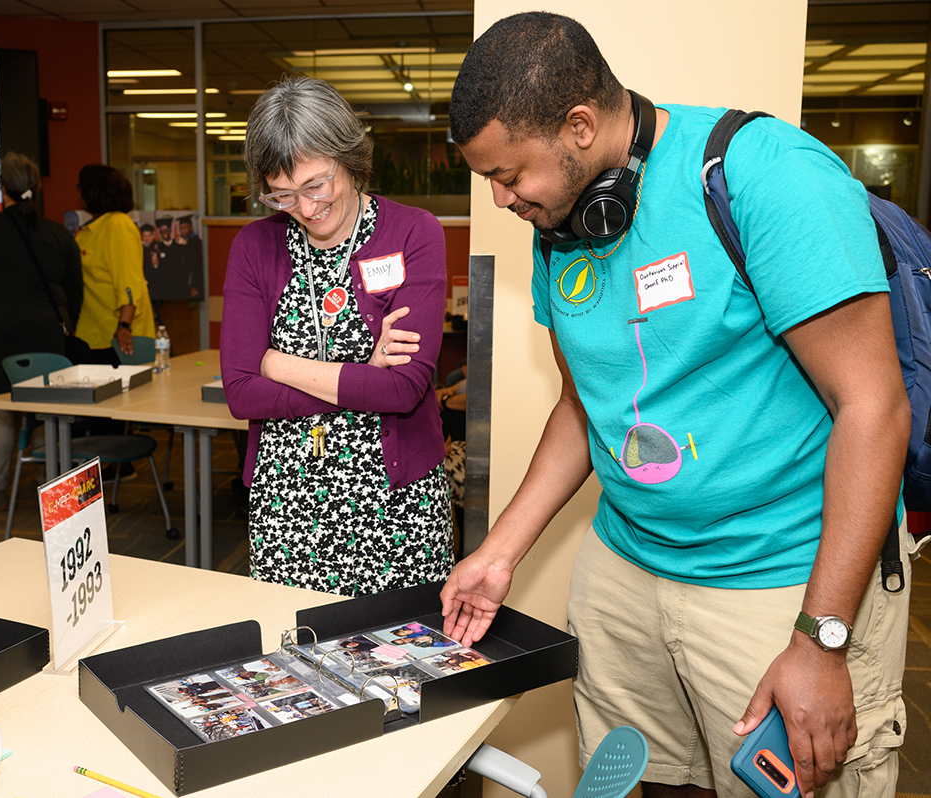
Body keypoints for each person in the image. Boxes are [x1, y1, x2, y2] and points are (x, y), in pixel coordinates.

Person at [438, 13, 912, 798]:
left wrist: (822, 641)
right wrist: (499, 553)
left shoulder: (764, 175)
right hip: (629, 567)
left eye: (510, 174)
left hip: (781, 583)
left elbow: (874, 407)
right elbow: (581, 405)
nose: (500, 198)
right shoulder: (558, 219)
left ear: (579, 126)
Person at [220, 75, 453, 597]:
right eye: (282, 194)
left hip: (396, 510)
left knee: (401, 662)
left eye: (316, 185)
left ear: (348, 159)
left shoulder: (414, 233)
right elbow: (239, 392)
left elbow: (402, 388)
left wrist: (275, 362)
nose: (304, 208)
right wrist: (361, 376)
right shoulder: (255, 247)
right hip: (286, 510)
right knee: (291, 661)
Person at [0, 152, 83, 508]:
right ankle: (48, 486)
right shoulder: (58, 234)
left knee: (0, 413)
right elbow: (75, 293)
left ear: (2, 188)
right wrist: (66, 327)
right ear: (36, 189)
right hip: (45, 337)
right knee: (44, 413)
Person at [74, 164, 155, 364]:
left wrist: (124, 325)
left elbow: (128, 281)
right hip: (93, 334)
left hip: (117, 339)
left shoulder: (117, 225)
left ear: (93, 192)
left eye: (80, 187)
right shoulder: (92, 229)